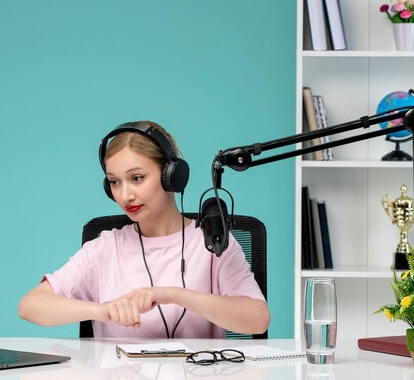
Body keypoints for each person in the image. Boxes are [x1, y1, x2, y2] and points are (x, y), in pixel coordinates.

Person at [18, 121, 270, 338]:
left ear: (170, 175)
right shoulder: (105, 248)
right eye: (114, 182)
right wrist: (103, 311)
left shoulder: (213, 242)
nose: (125, 195)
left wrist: (171, 294)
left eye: (137, 178)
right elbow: (31, 305)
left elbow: (257, 319)